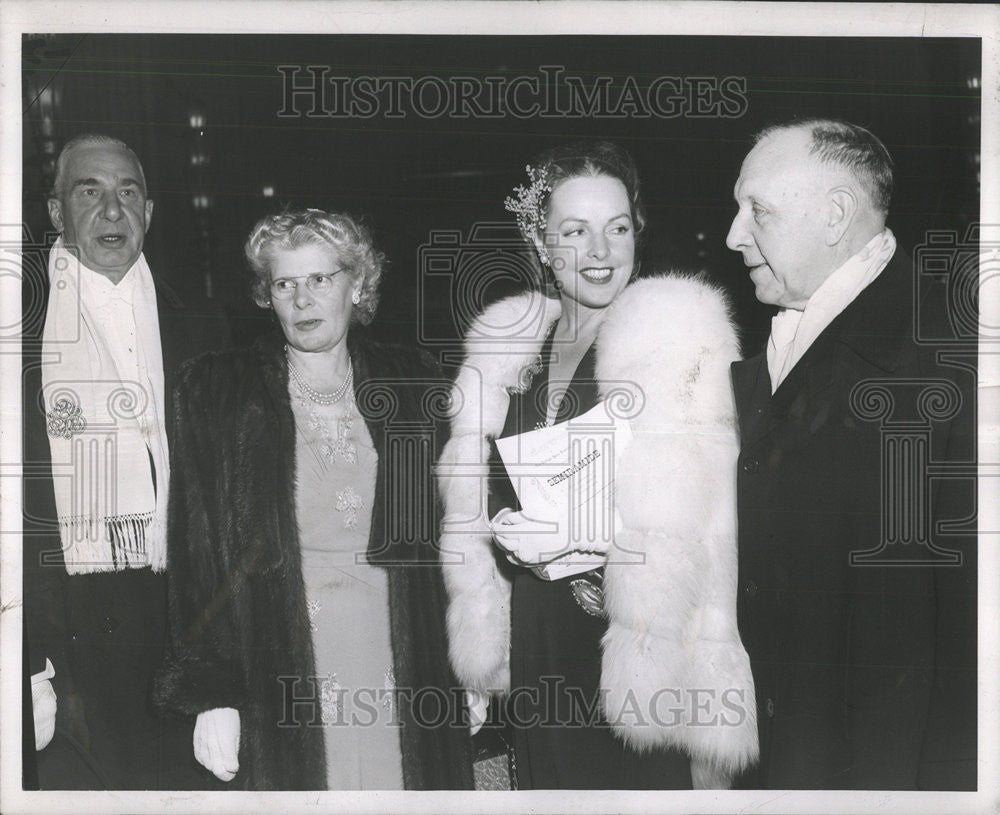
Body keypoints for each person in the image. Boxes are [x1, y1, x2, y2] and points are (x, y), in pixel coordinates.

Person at [438, 141, 758, 789]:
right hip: (541, 640)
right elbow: (487, 493)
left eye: (617, 228)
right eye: (575, 232)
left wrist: (594, 545)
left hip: (639, 649)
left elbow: (707, 523)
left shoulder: (676, 338)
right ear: (543, 244)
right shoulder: (514, 353)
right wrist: (505, 528)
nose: (602, 251)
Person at [153, 208, 474, 790]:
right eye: (284, 284)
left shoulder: (415, 384)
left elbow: (456, 538)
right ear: (267, 295)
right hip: (282, 661)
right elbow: (197, 555)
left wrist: (472, 665)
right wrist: (211, 694)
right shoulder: (218, 393)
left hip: (405, 658)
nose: (302, 300)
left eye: (320, 279)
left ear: (358, 284)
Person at [726, 118, 977, 789]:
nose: (732, 235)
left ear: (836, 214)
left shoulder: (950, 358)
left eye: (758, 210)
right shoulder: (753, 366)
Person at [22, 132, 230, 789]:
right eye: (90, 191)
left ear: (150, 211)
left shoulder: (202, 326)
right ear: (56, 213)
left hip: (176, 621)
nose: (113, 211)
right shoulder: (16, 329)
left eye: (129, 192)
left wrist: (223, 672)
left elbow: (233, 510)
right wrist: (23, 663)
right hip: (63, 631)